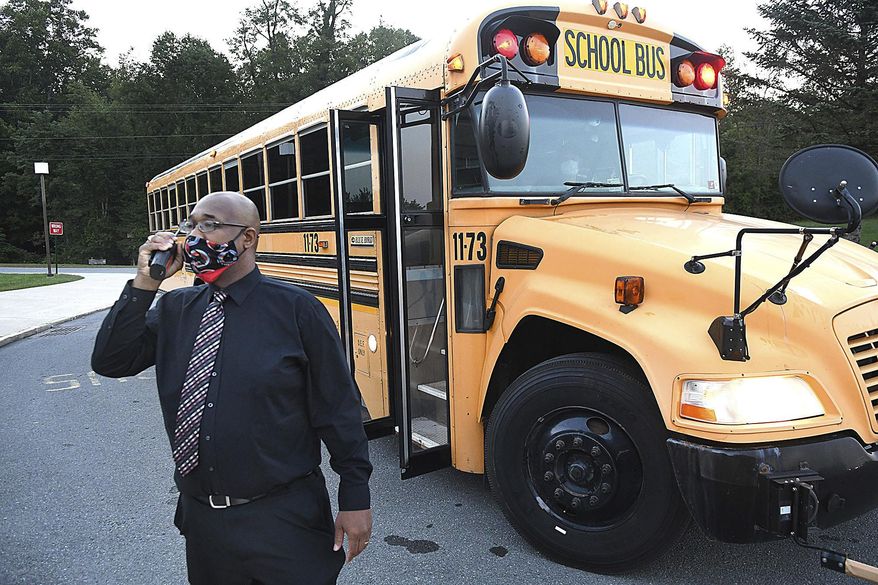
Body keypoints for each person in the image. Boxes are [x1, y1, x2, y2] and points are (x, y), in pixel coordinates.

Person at [91, 191, 372, 585]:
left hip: (284, 519)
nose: (194, 236)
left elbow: (338, 408)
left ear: (248, 238)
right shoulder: (176, 310)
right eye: (190, 225)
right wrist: (145, 281)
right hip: (205, 525)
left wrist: (355, 496)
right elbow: (110, 361)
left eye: (210, 224)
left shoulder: (297, 309)